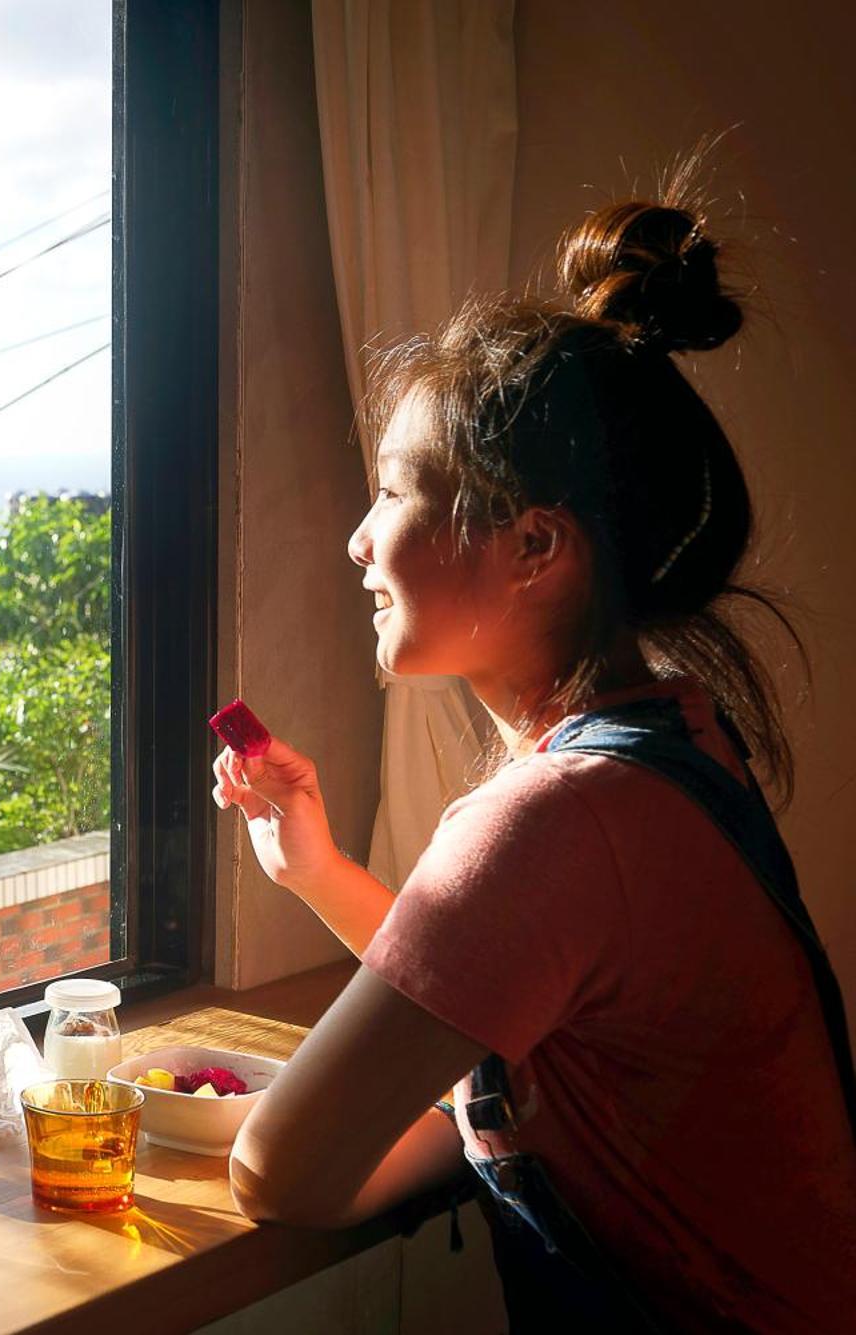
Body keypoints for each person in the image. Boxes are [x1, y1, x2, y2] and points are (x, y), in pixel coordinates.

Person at [211, 184, 856, 1332]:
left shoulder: (561, 814)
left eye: (394, 491)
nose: (358, 539)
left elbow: (276, 1168)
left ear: (533, 546)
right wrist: (313, 870)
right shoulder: (668, 741)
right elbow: (519, 987)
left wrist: (407, 1130)